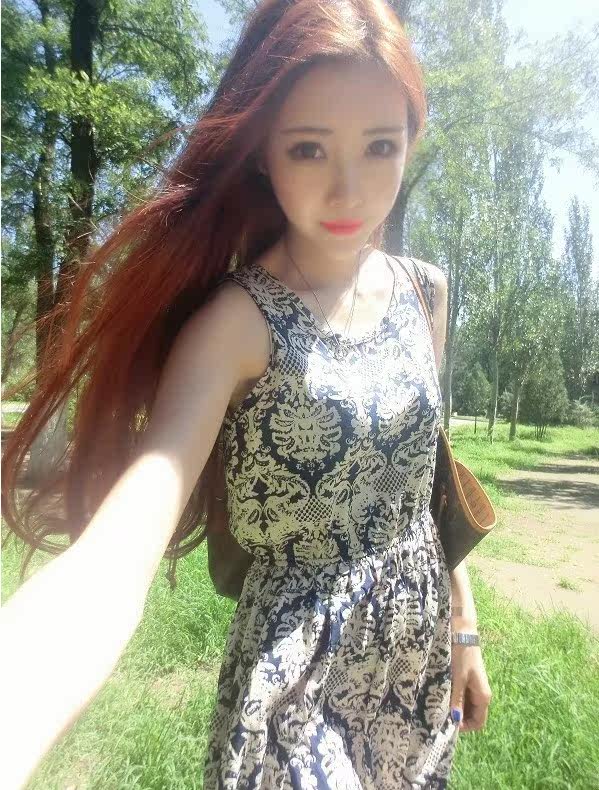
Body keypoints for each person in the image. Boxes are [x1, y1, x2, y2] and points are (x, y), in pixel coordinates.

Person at [0, 0, 492, 787]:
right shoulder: (235, 324)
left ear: (409, 142)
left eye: (379, 146)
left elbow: (424, 477)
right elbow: (120, 545)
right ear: (263, 153)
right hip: (297, 675)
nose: (348, 190)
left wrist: (462, 627)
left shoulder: (422, 293)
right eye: (308, 148)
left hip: (415, 651)